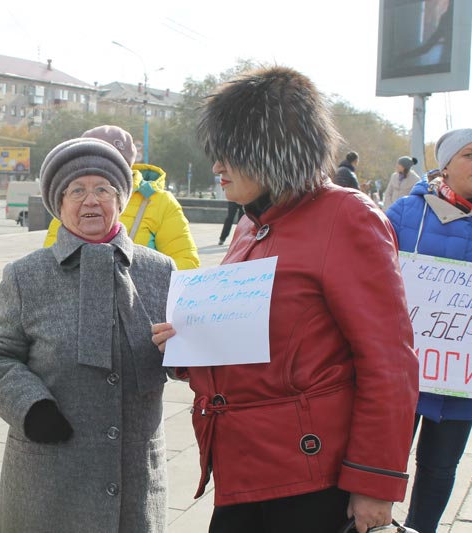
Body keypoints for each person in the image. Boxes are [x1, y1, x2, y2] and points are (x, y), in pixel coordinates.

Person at [151, 66, 418, 533]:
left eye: (229, 155)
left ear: (270, 152)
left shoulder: (347, 215)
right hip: (243, 468)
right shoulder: (250, 225)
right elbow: (263, 337)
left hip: (311, 478)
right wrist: (188, 347)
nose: (217, 167)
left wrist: (376, 481)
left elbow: (388, 360)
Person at [0, 137, 175, 532]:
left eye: (103, 189)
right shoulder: (27, 275)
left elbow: (184, 354)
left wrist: (184, 357)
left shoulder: (159, 271)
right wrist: (32, 408)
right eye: (77, 191)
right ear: (58, 203)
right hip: (50, 474)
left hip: (132, 471)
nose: (91, 201)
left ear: (120, 199)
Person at [385, 128, 472, 533]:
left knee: (441, 466)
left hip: (465, 376)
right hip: (404, 371)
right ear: (445, 165)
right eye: (470, 155)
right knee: (384, 463)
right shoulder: (405, 215)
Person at [43, 125, 199, 270]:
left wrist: (139, 277)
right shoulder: (71, 201)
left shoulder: (159, 201)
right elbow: (51, 263)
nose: (91, 201)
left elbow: (186, 263)